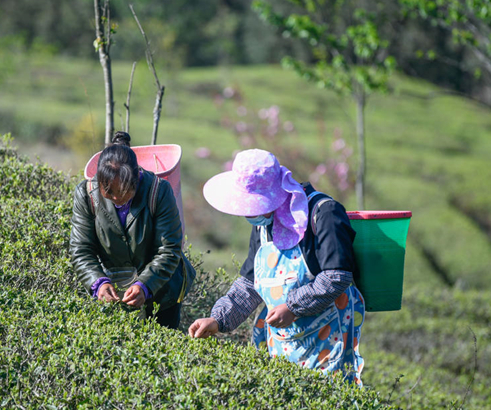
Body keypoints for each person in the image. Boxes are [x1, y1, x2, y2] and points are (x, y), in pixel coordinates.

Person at [188, 149, 365, 383]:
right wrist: (218, 320)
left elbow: (336, 277)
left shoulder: (324, 213)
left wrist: (292, 307)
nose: (250, 215)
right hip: (283, 345)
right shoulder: (264, 222)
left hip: (328, 341)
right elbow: (250, 284)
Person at [70, 131, 194, 329]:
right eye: (108, 192)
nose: (117, 199)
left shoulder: (159, 191)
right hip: (114, 288)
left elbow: (169, 249)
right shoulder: (86, 195)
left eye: (124, 192)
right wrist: (98, 283)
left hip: (162, 289)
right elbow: (81, 249)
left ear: (137, 178)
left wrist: (145, 285)